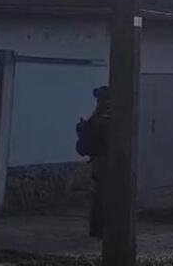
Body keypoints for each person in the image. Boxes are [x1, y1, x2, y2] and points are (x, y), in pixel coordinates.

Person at [76, 85, 110, 239]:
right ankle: (100, 229)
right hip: (105, 160)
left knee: (99, 194)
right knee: (103, 195)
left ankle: (97, 229)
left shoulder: (96, 115)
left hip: (97, 160)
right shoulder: (105, 117)